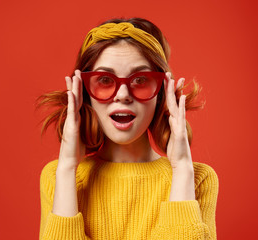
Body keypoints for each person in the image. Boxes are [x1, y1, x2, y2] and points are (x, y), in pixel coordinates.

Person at [36, 17, 219, 240]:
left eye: (140, 79)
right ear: (84, 92)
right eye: (104, 79)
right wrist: (67, 169)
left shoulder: (198, 179)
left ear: (162, 92)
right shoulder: (58, 177)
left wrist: (182, 169)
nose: (122, 95)